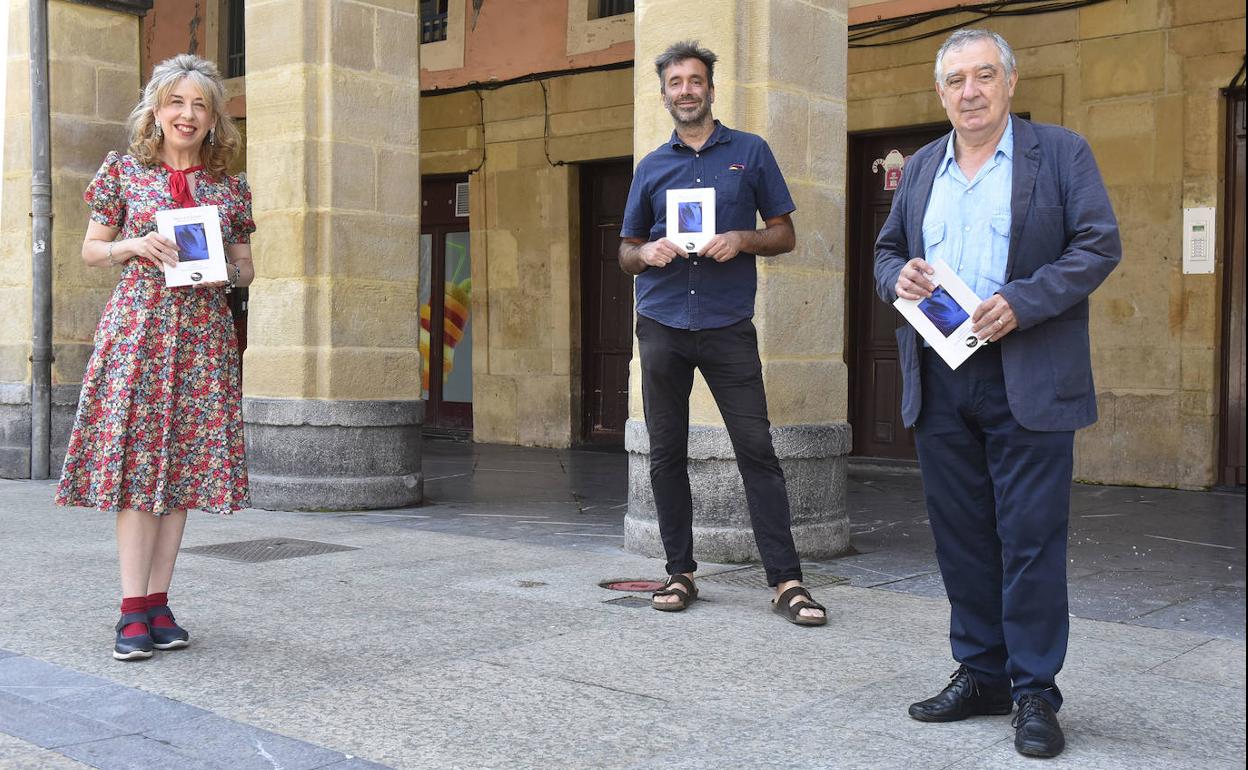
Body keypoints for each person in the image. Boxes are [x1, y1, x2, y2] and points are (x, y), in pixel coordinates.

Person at [874, 29, 1121, 758]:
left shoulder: (1062, 153)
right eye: (956, 80)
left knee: (1030, 539)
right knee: (961, 537)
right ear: (942, 92)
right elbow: (887, 253)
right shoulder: (920, 167)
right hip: (942, 373)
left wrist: (1025, 300)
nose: (970, 91)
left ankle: (1035, 690)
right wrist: (900, 281)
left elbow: (1098, 244)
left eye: (984, 76)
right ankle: (982, 673)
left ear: (1010, 83)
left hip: (1029, 372)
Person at [55, 54, 256, 661]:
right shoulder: (123, 172)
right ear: (156, 110)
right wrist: (133, 245)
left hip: (201, 337)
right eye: (177, 103)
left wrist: (229, 266)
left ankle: (159, 601)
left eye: (200, 105)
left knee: (184, 471)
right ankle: (130, 609)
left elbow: (248, 268)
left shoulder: (228, 187)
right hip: (138, 331)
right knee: (139, 472)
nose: (187, 115)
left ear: (215, 118)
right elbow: (91, 250)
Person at [619, 41, 826, 626]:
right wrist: (646, 252)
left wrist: (743, 239)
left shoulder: (751, 153)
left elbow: (784, 234)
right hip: (660, 322)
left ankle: (786, 581)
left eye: (695, 80)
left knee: (757, 450)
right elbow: (624, 251)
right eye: (676, 82)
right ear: (664, 93)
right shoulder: (651, 167)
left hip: (728, 324)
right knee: (666, 452)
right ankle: (679, 571)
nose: (686, 90)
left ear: (711, 88)